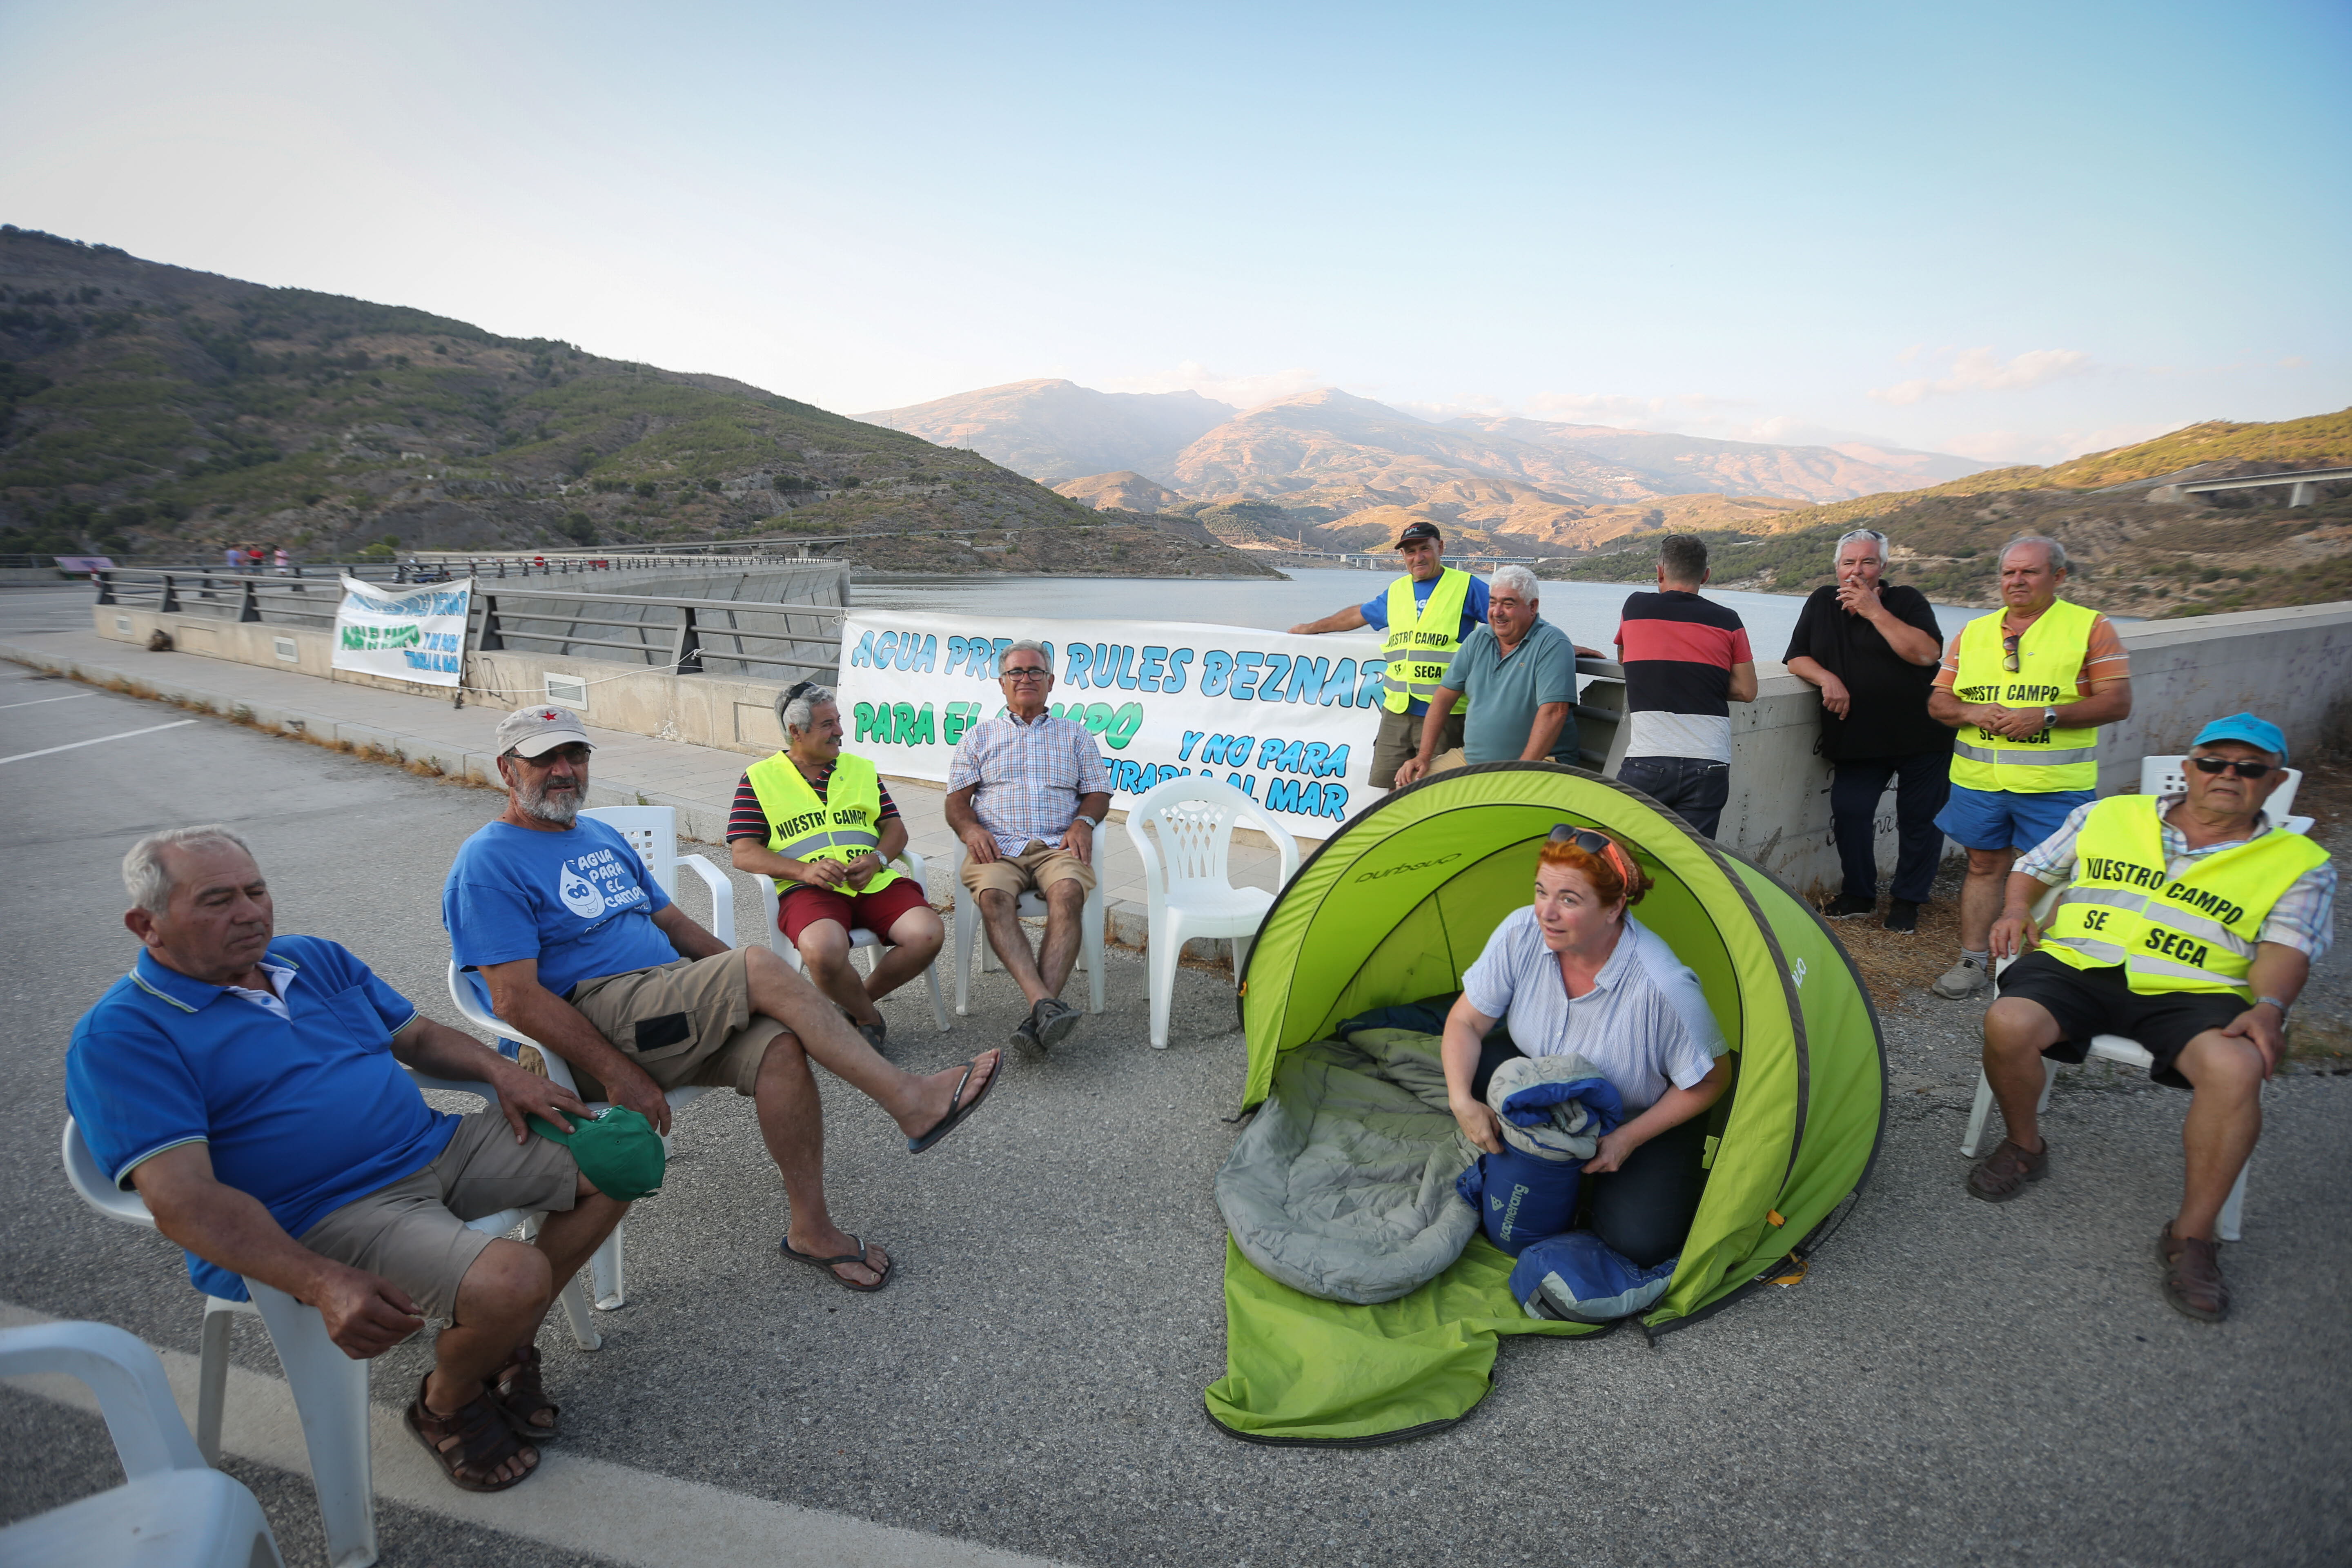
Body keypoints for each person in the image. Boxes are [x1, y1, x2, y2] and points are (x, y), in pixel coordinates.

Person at [68, 826, 624, 1492]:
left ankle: (499, 1344)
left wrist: (505, 1075)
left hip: (434, 1147)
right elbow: (183, 1201)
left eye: (256, 890)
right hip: (326, 1210)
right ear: (146, 924)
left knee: (624, 1152)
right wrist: (318, 1281)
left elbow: (415, 1037)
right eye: (217, 900)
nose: (250, 912)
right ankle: (447, 1401)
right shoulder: (125, 1034)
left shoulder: (310, 960)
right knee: (512, 1280)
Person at [443, 704, 1000, 1294]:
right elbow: (515, 1001)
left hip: (660, 1008)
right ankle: (909, 1099)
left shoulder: (600, 836)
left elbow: (678, 928)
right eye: (544, 759)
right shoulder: (489, 861)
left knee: (780, 1045)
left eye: (575, 755)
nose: (563, 770)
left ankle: (811, 1229)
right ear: (508, 770)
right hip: (589, 1027)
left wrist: (747, 988)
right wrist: (617, 1074)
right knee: (760, 965)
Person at [1969, 715, 2330, 1322]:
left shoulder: (2299, 861)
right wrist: (2014, 907)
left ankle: (2193, 1237)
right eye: (2214, 762)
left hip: (2197, 987)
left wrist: (2269, 1009)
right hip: (2080, 963)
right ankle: (2024, 1145)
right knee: (2008, 1022)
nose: (2227, 776)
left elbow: (2286, 949)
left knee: (2238, 1068)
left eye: (2249, 768)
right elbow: (2037, 865)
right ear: (2188, 769)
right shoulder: (2108, 815)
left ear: (2272, 783)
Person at [1441, 826, 1731, 1267]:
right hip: (1543, 1082)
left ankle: (1595, 1181)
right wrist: (1461, 1100)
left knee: (1641, 1243)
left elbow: (1713, 1078)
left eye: (1569, 900)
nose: (1546, 913)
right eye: (1542, 892)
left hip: (1637, 1114)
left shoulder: (1662, 986)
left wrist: (1628, 1139)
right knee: (1474, 1069)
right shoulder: (1521, 932)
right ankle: (1557, 1171)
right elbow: (1465, 1021)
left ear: (1615, 907)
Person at [1927, 537, 2132, 999]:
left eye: (2029, 572)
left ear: (2058, 577)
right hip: (1979, 783)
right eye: (2008, 573)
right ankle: (1973, 961)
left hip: (2055, 785)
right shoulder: (1974, 632)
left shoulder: (2090, 628)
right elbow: (1939, 702)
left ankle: (2045, 971)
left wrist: (2048, 716)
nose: (2016, 581)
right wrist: (1971, 713)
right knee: (1982, 866)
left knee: (2056, 874)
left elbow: (2118, 702)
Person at [728, 680, 944, 1055]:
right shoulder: (759, 778)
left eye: (838, 721)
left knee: (928, 934)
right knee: (822, 951)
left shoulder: (860, 769)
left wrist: (878, 859)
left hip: (873, 882)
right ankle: (869, 1018)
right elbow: (743, 852)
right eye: (828, 725)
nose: (840, 732)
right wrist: (802, 871)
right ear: (796, 731)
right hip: (809, 890)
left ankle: (853, 1005)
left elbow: (895, 828)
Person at [944, 639, 1111, 1054]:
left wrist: (1084, 821)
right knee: (994, 898)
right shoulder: (978, 737)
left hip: (1057, 842)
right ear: (1002, 683)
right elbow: (955, 803)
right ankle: (1045, 1006)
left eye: (1035, 672)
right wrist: (970, 831)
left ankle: (1039, 1014)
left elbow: (1098, 794)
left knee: (1070, 893)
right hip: (998, 847)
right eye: (1016, 672)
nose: (1026, 679)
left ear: (1051, 682)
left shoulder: (1076, 736)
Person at [1783, 528, 1952, 933]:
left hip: (1923, 735)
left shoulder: (1906, 601)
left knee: (1919, 820)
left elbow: (1928, 653)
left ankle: (1908, 901)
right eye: (1848, 563)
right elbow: (1796, 657)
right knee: (1851, 812)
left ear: (1883, 567)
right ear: (1836, 567)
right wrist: (1826, 678)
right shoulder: (1821, 602)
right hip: (1858, 737)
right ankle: (1859, 894)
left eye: (1867, 562)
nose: (1856, 571)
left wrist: (1875, 612)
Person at [1288, 519, 1490, 789]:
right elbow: (1358, 615)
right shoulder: (1398, 591)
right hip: (1397, 711)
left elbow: (1511, 618)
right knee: (1390, 791)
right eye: (1410, 552)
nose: (1418, 557)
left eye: (1425, 549)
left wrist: (1553, 644)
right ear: (1403, 556)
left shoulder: (1467, 586)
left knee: (1437, 793)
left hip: (1446, 714)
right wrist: (1310, 628)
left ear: (1440, 547)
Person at [1392, 564, 1603, 786]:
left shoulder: (1552, 643)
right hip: (1472, 762)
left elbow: (1554, 713)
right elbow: (1444, 697)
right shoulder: (1478, 639)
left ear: (1533, 607)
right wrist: (1424, 755)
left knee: (1491, 809)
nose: (1497, 612)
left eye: (1508, 604)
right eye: (1493, 602)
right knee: (1407, 787)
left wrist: (1521, 771)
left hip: (1539, 764)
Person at [1613, 534, 1756, 839]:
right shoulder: (1729, 620)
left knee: (1625, 852)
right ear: (1706, 575)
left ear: (1660, 571)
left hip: (1649, 757)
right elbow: (1747, 690)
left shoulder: (1636, 606)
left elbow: (1626, 658)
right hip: (1710, 761)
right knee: (1694, 864)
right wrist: (1701, 682)